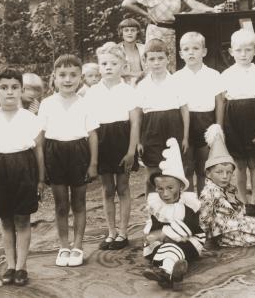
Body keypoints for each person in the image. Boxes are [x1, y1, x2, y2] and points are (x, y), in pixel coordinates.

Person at [0, 68, 44, 286]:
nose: (10, 92)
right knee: (6, 219)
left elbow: (38, 152)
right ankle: (10, 265)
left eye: (15, 87)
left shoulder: (30, 118)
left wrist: (41, 179)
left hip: (24, 169)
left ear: (21, 90)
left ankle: (22, 266)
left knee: (23, 219)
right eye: (4, 88)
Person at [38, 54, 99, 267]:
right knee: (61, 204)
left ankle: (78, 246)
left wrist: (92, 164)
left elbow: (92, 135)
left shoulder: (86, 103)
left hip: (79, 153)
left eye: (73, 75)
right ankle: (64, 246)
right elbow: (41, 139)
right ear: (54, 77)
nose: (67, 79)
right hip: (54, 154)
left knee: (79, 203)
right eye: (62, 75)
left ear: (80, 78)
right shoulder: (46, 104)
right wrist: (42, 166)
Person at [86, 43, 140, 250]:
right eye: (104, 63)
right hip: (101, 141)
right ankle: (110, 232)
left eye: (114, 63)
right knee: (107, 188)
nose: (108, 67)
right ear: (99, 67)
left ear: (123, 66)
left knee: (123, 187)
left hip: (122, 140)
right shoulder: (92, 93)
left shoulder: (128, 91)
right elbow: (90, 126)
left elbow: (135, 122)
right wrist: (93, 155)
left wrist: (131, 151)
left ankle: (124, 233)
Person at [122, 0, 214, 72]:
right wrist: (146, 14)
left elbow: (193, 3)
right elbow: (126, 3)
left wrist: (211, 9)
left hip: (173, 33)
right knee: (156, 66)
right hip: (156, 34)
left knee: (172, 67)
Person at [220, 29, 255, 216]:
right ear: (231, 52)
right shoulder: (225, 74)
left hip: (254, 122)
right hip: (233, 123)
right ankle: (242, 201)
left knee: (253, 162)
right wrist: (221, 129)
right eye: (239, 50)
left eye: (248, 50)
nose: (243, 54)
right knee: (239, 164)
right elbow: (222, 102)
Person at [141, 138, 205, 291]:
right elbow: (154, 225)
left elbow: (189, 227)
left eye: (170, 188)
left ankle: (165, 271)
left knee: (172, 246)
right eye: (160, 189)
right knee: (159, 247)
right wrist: (152, 236)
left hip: (188, 240)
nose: (165, 193)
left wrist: (162, 234)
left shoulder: (189, 204)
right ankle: (172, 274)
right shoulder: (157, 204)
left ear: (181, 186)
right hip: (163, 242)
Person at [136, 39, 189, 194]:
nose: (157, 63)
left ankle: (175, 211)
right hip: (151, 131)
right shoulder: (142, 85)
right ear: (145, 61)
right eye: (152, 59)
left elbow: (185, 110)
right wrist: (139, 140)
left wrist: (185, 137)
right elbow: (138, 115)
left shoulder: (177, 82)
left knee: (175, 173)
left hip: (173, 130)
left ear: (168, 58)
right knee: (152, 175)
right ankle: (152, 212)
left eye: (160, 58)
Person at [174, 32, 222, 195]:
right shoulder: (176, 78)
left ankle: (204, 206)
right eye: (186, 49)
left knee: (204, 169)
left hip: (206, 122)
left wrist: (218, 128)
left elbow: (219, 103)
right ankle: (189, 208)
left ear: (204, 51)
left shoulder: (214, 75)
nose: (191, 52)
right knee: (187, 169)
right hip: (185, 125)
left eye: (195, 48)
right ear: (181, 54)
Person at [117, 18, 145, 86]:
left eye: (133, 30)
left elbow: (150, 68)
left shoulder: (144, 48)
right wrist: (135, 74)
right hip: (123, 84)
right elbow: (115, 71)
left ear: (137, 32)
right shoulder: (116, 50)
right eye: (126, 30)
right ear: (121, 32)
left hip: (143, 83)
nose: (129, 33)